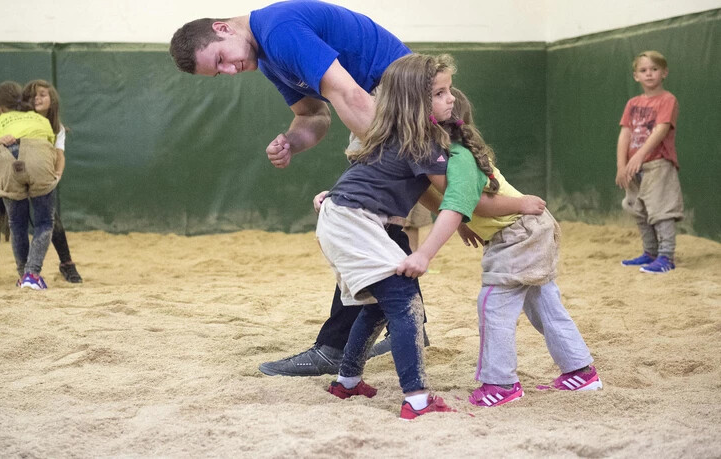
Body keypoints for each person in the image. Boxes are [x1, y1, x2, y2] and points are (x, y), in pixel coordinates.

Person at [170, 1, 535, 376]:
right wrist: (292, 142)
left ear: (222, 28)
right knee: (378, 222)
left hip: (397, 103)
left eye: (220, 60)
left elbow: (350, 96)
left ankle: (336, 346)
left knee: (359, 218)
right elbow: (312, 114)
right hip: (386, 106)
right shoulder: (266, 55)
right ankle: (403, 328)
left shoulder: (278, 30)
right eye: (219, 73)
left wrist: (400, 158)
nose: (230, 71)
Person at [399, 87, 601, 408]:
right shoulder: (439, 159)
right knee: (544, 304)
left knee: (493, 306)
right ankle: (580, 372)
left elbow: (480, 202)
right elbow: (432, 193)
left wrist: (518, 203)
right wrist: (463, 222)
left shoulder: (457, 157)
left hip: (516, 233)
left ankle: (500, 383)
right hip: (527, 232)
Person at [318, 53, 456, 419]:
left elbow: (377, 179)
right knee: (404, 300)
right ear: (415, 101)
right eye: (440, 93)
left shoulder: (396, 133)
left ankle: (347, 382)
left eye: (449, 90)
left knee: (379, 303)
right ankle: (417, 398)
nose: (451, 98)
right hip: (352, 220)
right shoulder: (422, 141)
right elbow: (455, 194)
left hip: (342, 215)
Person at [0, 80, 83, 286]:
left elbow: (59, 154)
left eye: (42, 95)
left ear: (53, 101)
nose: (36, 99)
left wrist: (57, 175)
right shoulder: (12, 118)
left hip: (37, 168)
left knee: (48, 218)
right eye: (31, 95)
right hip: (5, 170)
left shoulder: (54, 127)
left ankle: (66, 264)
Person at [615, 51, 683, 274]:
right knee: (638, 209)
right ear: (636, 76)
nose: (649, 74)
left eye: (654, 69)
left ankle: (666, 256)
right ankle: (650, 252)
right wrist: (621, 165)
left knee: (661, 210)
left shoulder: (668, 100)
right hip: (634, 168)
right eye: (643, 70)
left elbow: (661, 130)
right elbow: (625, 133)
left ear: (664, 72)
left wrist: (639, 155)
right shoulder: (633, 103)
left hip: (658, 164)